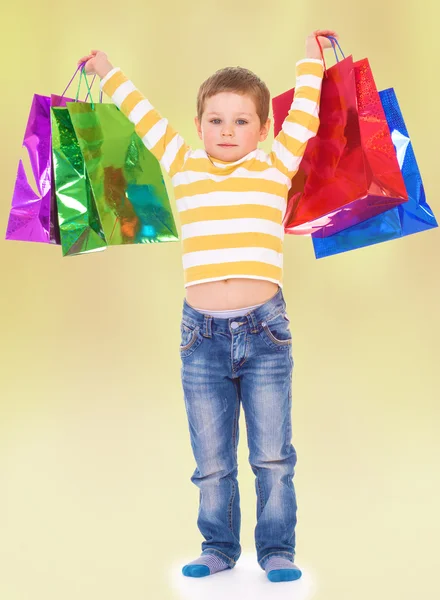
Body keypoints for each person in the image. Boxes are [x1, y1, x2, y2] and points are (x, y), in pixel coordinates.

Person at [78, 29, 338, 583]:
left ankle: (276, 551)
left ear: (264, 130)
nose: (227, 130)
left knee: (272, 455)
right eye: (215, 120)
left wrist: (312, 64)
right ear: (197, 128)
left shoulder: (275, 167)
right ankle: (218, 545)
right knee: (213, 461)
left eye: (242, 120)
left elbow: (306, 120)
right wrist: (106, 72)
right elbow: (144, 119)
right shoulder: (182, 163)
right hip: (200, 337)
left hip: (266, 332)